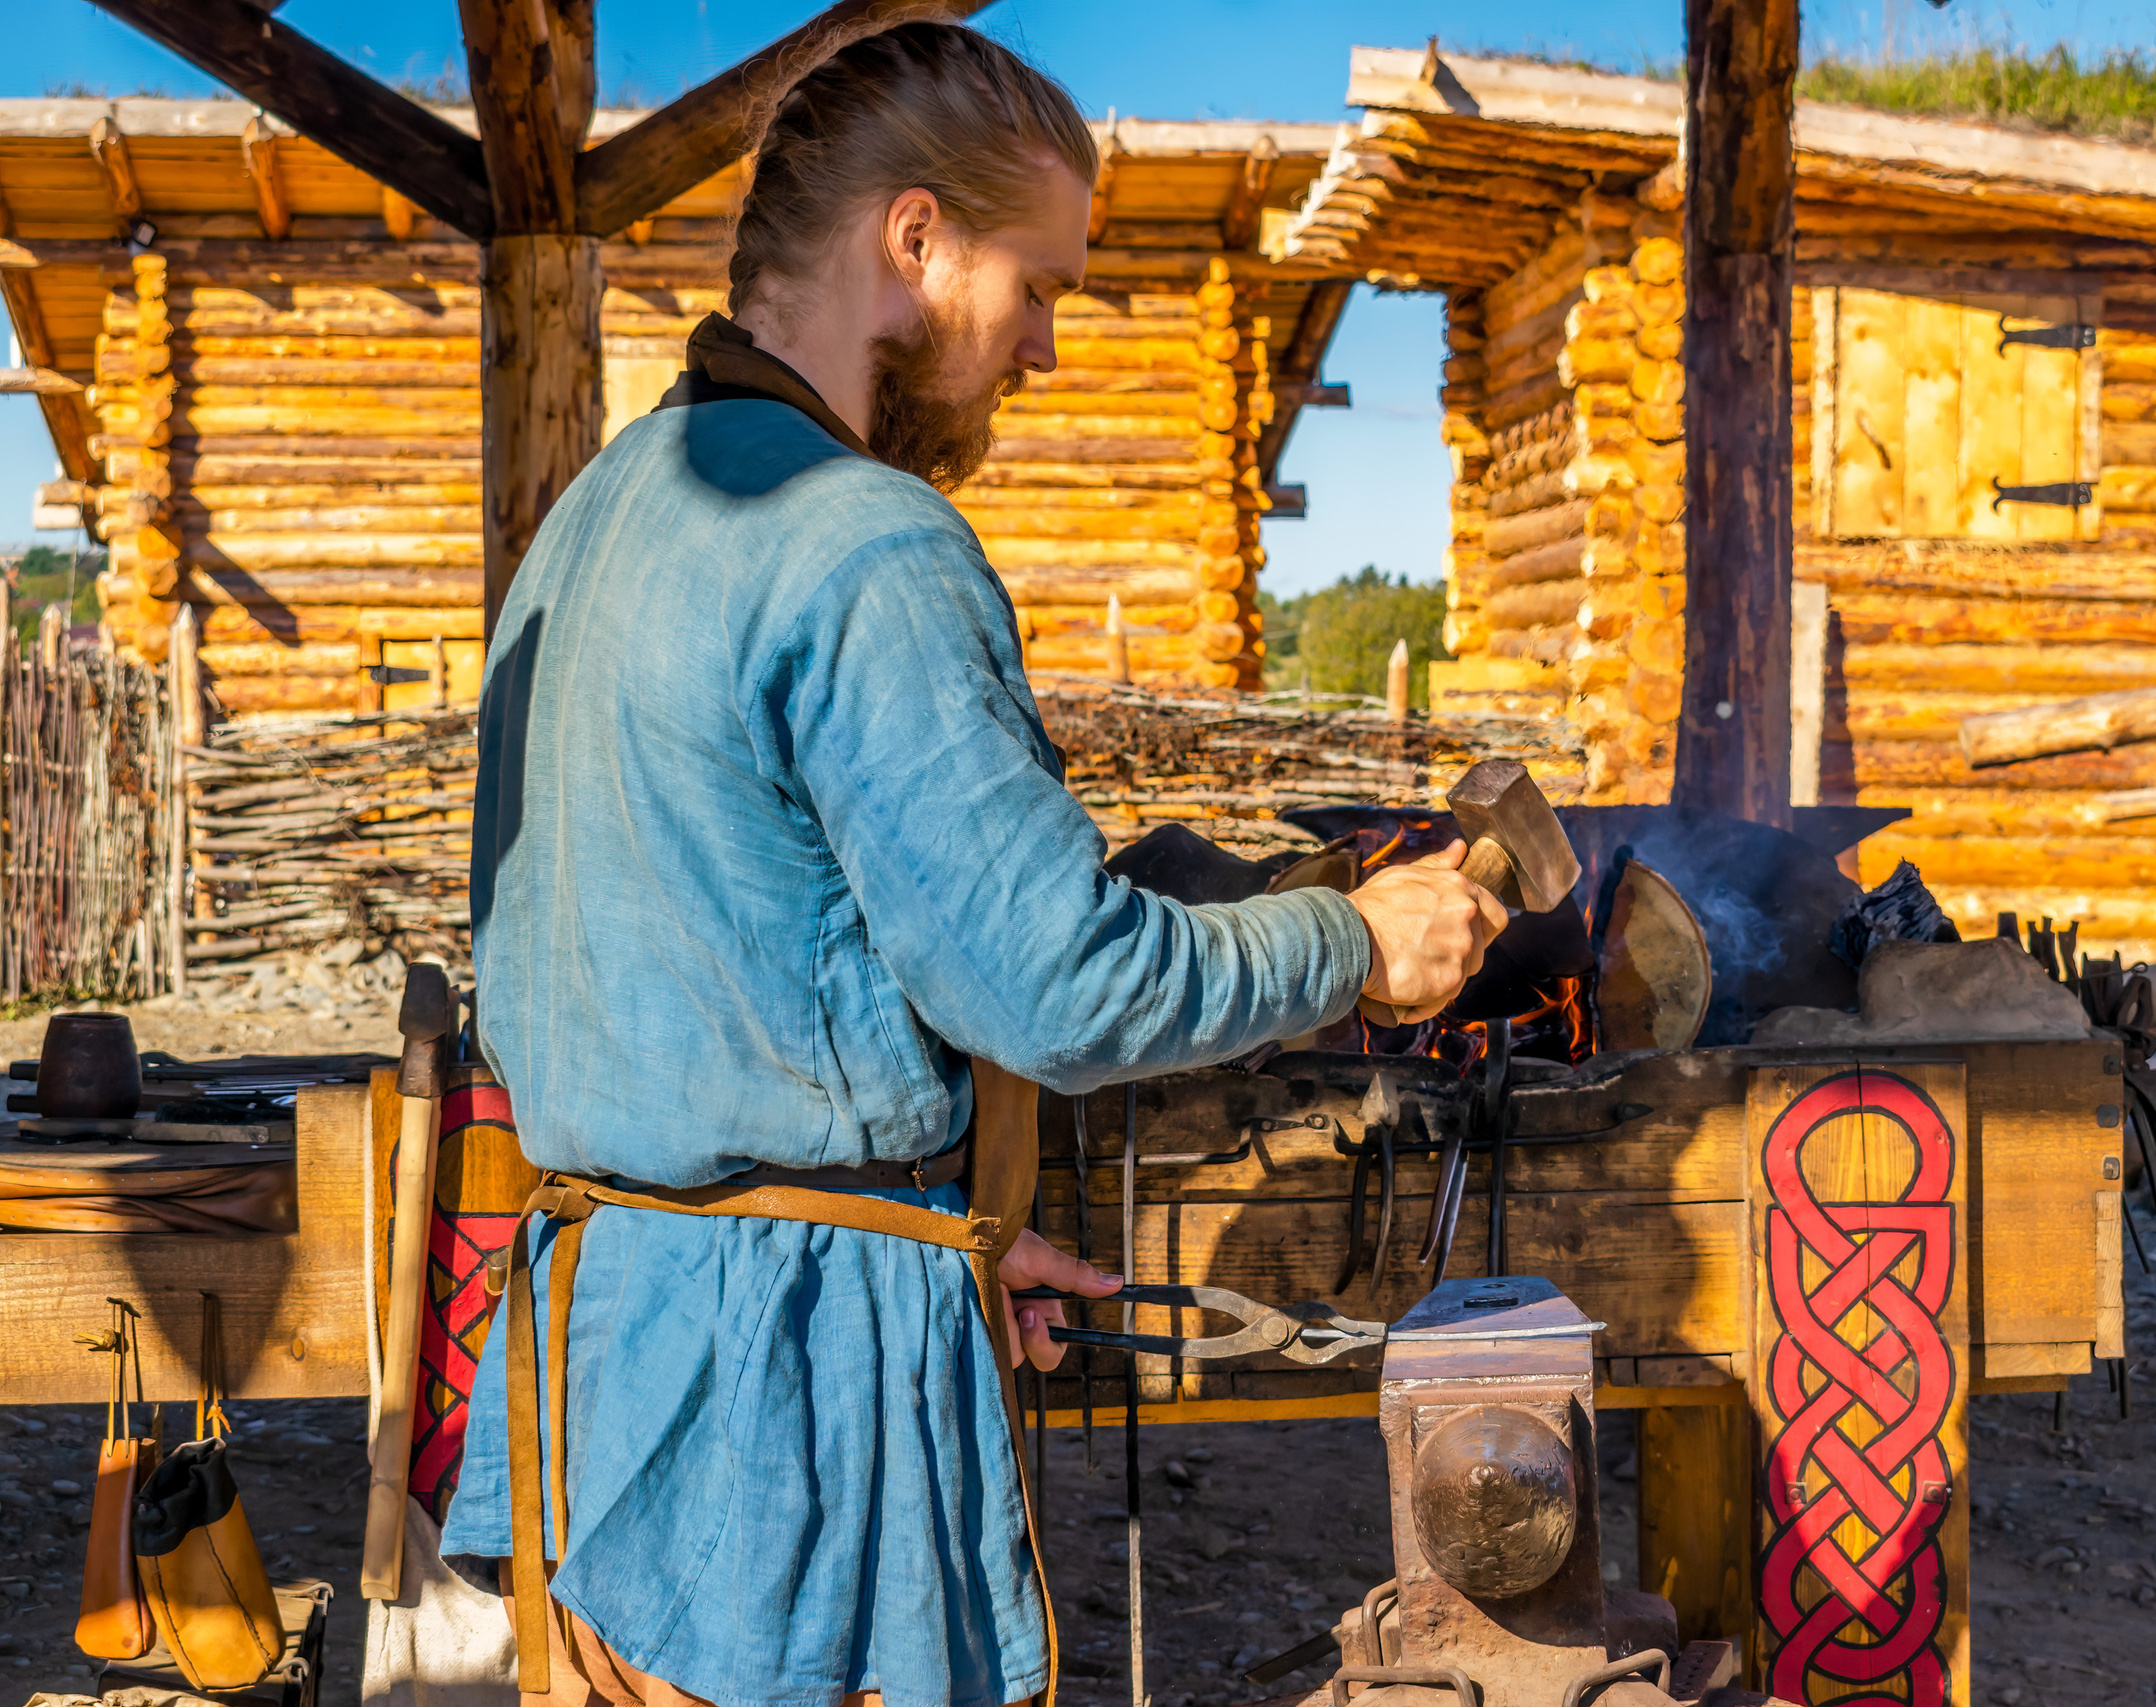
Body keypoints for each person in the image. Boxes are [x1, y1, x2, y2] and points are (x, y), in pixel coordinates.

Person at [442, 20, 1507, 1707]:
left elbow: (705, 963)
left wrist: (914, 1239)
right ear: (915, 239)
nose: (1047, 349)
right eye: (1038, 288)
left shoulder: (598, 513)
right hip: (779, 1429)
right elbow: (1060, 988)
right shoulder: (861, 543)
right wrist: (1356, 943)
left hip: (610, 1365)